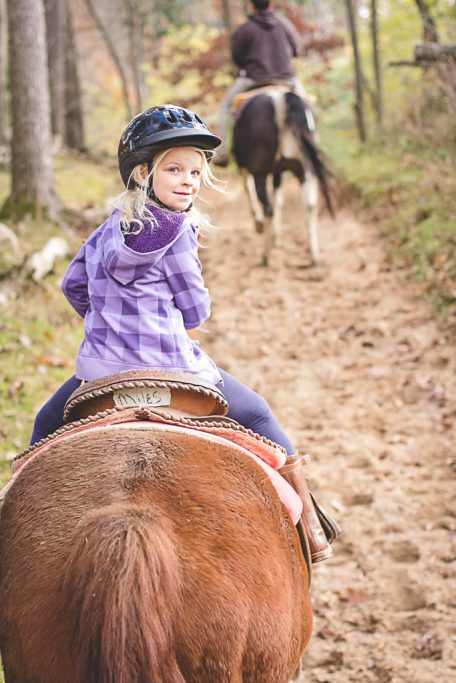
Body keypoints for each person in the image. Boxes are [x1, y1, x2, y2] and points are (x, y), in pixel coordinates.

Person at [30, 104, 337, 563]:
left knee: (43, 427)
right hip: (173, 367)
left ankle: (18, 528)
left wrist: (107, 324)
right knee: (259, 414)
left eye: (195, 171)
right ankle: (311, 530)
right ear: (141, 174)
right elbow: (195, 310)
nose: (189, 180)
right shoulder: (179, 233)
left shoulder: (104, 232)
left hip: (99, 374)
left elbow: (72, 286)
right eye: (174, 169)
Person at [215, 0, 306, 165]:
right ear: (271, 4)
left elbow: (237, 58)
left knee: (225, 106)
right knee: (307, 107)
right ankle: (312, 144)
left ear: (252, 5)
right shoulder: (285, 24)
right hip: (287, 79)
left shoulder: (245, 28)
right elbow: (296, 50)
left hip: (253, 79)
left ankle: (221, 152)